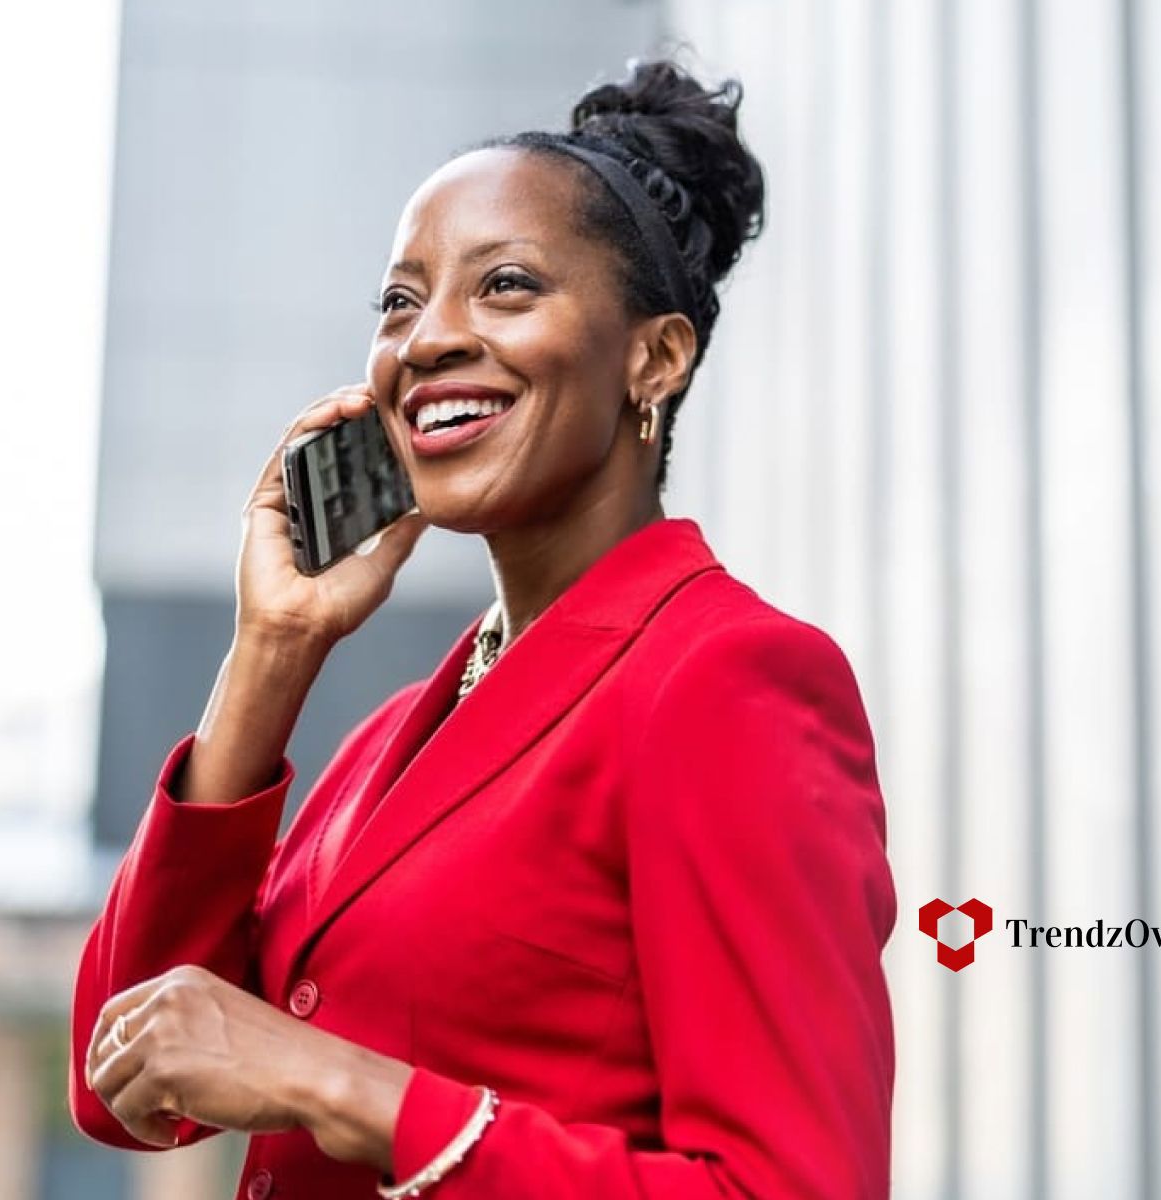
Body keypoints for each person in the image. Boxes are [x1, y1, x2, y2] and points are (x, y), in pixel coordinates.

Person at [67, 57, 896, 1200]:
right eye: (400, 302)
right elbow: (120, 1078)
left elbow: (787, 1187)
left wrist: (339, 1087)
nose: (428, 340)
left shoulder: (728, 680)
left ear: (654, 358)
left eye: (504, 286)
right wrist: (275, 651)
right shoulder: (390, 740)